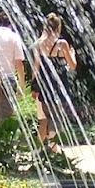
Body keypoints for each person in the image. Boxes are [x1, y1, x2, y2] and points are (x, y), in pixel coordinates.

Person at [31, 13, 78, 149]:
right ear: (58, 27)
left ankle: (41, 149)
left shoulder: (40, 43)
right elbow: (73, 65)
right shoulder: (62, 44)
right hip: (59, 85)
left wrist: (33, 87)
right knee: (56, 118)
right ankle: (53, 147)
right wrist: (73, 54)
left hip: (45, 86)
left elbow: (36, 67)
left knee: (45, 118)